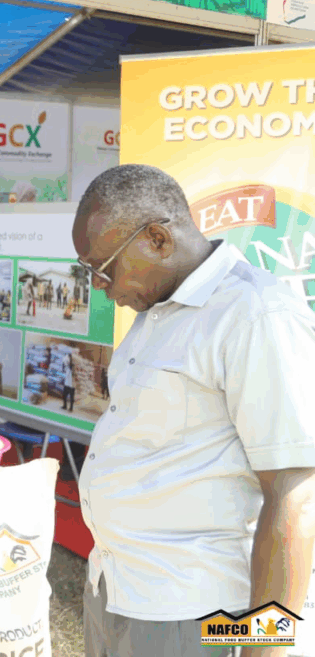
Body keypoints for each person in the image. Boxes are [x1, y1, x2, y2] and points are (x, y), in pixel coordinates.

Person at [73, 164, 315, 657]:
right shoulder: (156, 310)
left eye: (103, 268)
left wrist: (262, 648)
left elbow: (296, 493)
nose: (100, 286)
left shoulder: (255, 315)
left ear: (158, 239)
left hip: (198, 614)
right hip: (118, 588)